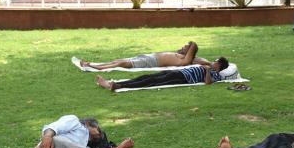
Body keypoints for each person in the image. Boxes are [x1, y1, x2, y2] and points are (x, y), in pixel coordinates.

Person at [96, 58, 230, 92]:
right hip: (179, 72)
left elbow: (208, 83)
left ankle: (118, 85)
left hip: (183, 79)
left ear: (219, 66)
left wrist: (207, 70)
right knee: (148, 77)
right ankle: (116, 84)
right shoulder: (209, 65)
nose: (213, 62)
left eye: (216, 62)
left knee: (152, 82)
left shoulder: (216, 75)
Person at [78, 42, 210, 70]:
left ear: (190, 52)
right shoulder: (182, 57)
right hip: (149, 57)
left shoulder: (185, 61)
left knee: (121, 64)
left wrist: (191, 46)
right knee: (119, 60)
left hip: (151, 62)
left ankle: (94, 66)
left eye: (185, 47)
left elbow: (204, 61)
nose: (183, 47)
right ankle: (94, 64)